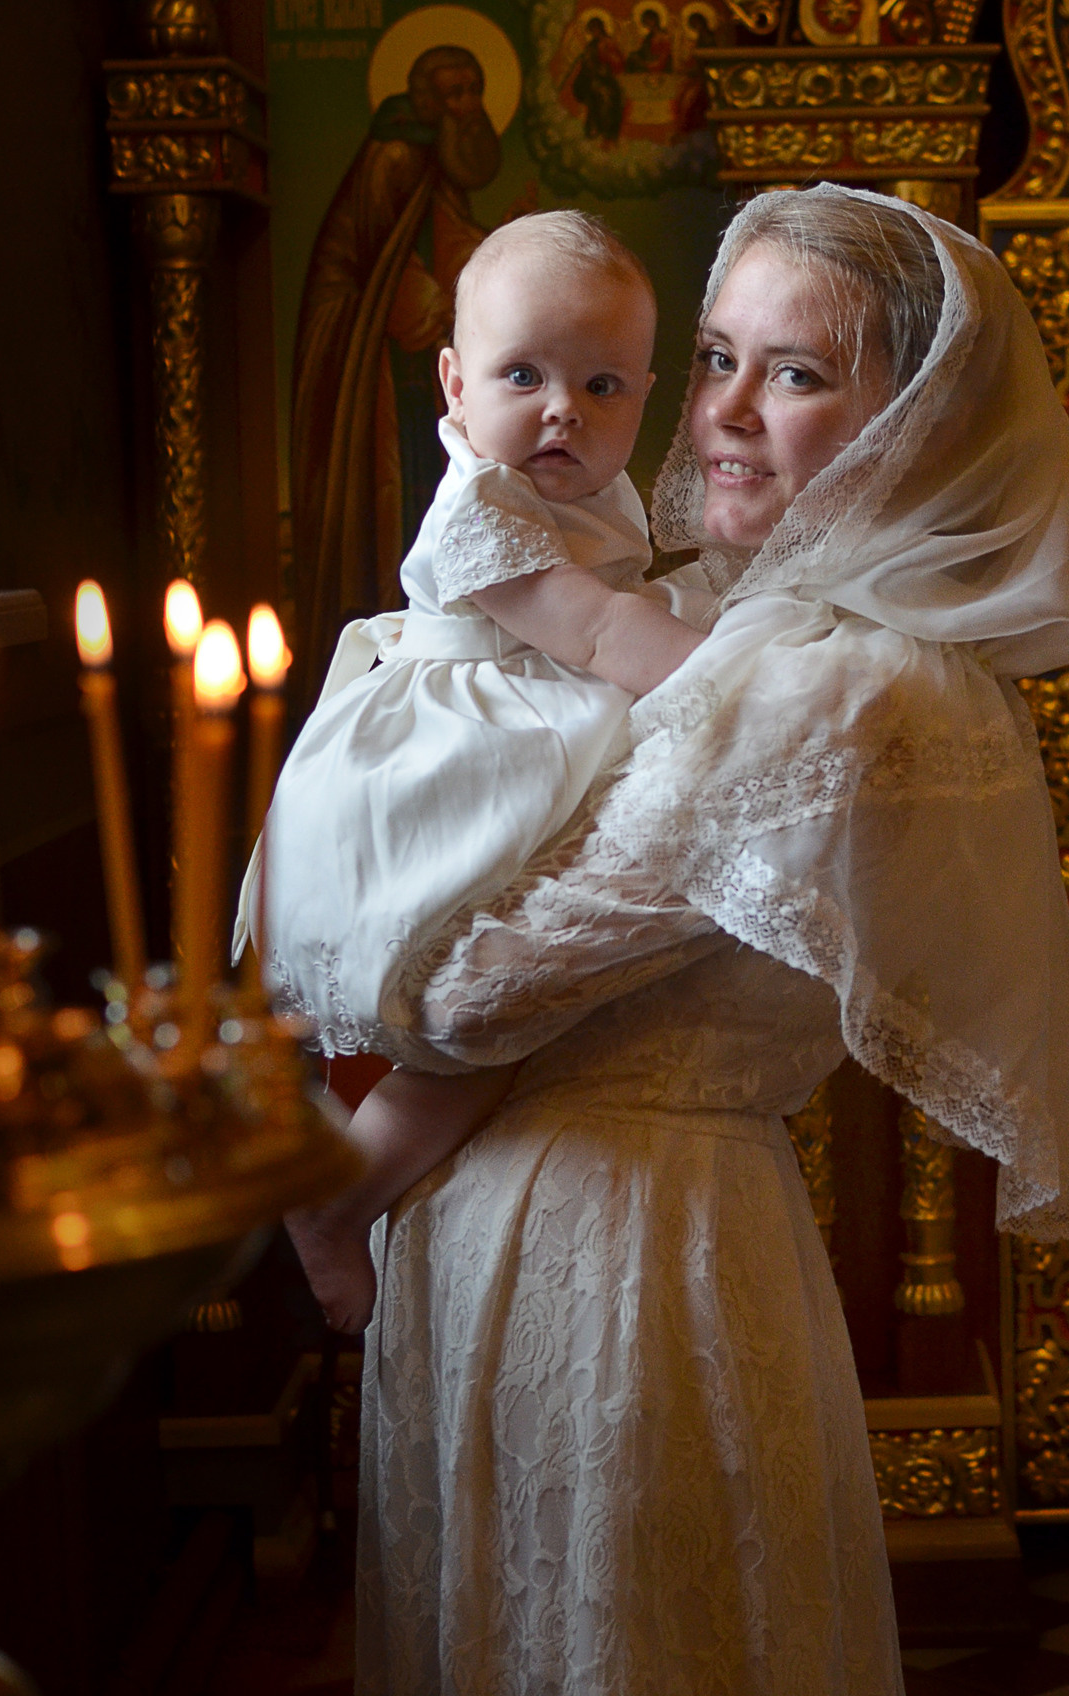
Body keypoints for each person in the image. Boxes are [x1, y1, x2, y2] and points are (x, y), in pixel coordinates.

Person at [350, 185, 1069, 1693]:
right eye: (714, 358)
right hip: (517, 1222)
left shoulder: (847, 684)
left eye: (798, 372)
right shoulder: (716, 617)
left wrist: (345, 929)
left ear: (913, 422)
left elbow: (471, 987)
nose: (726, 413)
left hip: (623, 1253)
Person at [248, 210, 705, 1332]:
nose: (564, 408)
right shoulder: (478, 506)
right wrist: (744, 678)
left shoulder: (586, 488)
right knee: (475, 1026)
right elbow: (596, 632)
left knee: (516, 1026)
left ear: (645, 395)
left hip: (530, 733)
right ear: (454, 384)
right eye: (524, 375)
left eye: (602, 386)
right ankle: (336, 1205)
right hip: (452, 765)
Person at [291, 44, 504, 675]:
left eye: (474, 90)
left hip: (419, 358)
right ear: (427, 100)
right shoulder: (396, 155)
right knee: (398, 497)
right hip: (377, 356)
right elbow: (385, 263)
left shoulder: (436, 158)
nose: (467, 106)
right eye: (453, 93)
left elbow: (444, 239)